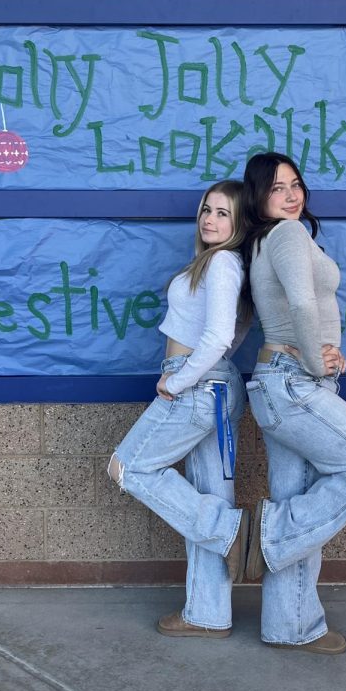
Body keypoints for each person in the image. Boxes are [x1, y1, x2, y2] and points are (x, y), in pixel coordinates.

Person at [241, 152, 346, 654]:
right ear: (259, 197)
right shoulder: (288, 235)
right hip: (295, 384)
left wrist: (326, 353)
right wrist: (316, 361)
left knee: (299, 498)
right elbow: (302, 304)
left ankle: (290, 625)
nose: (292, 196)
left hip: (283, 383)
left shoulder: (266, 241)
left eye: (296, 185)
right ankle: (267, 540)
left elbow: (295, 312)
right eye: (277, 188)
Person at [108, 180, 250, 638]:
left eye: (223, 213)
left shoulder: (224, 263)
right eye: (207, 210)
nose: (210, 219)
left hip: (194, 385)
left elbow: (219, 338)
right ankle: (208, 614)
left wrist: (179, 379)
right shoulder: (216, 262)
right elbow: (232, 334)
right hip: (213, 386)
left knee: (128, 468)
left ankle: (230, 533)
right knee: (209, 495)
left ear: (240, 222)